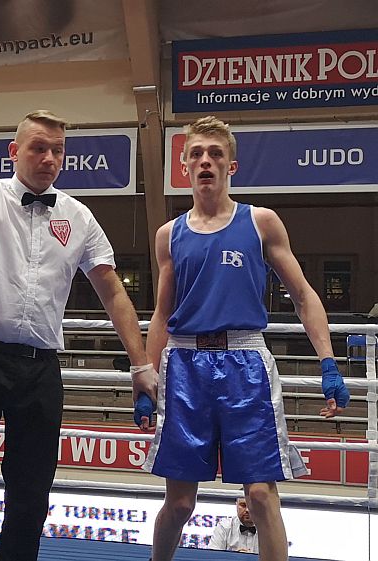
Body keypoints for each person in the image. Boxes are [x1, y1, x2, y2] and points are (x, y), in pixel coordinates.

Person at [0, 96, 158, 558]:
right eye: (39, 148)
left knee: (31, 493)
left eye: (58, 150)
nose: (49, 158)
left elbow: (112, 291)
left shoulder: (79, 216)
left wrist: (140, 363)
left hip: (41, 368)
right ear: (14, 151)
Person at [142, 116, 351, 561]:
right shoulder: (169, 235)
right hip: (183, 367)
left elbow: (303, 295)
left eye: (215, 154)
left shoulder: (260, 221)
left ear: (231, 166)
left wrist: (328, 362)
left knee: (259, 494)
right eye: (196, 153)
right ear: (184, 165)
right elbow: (162, 313)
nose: (205, 161)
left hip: (245, 364)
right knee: (179, 503)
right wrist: (145, 376)